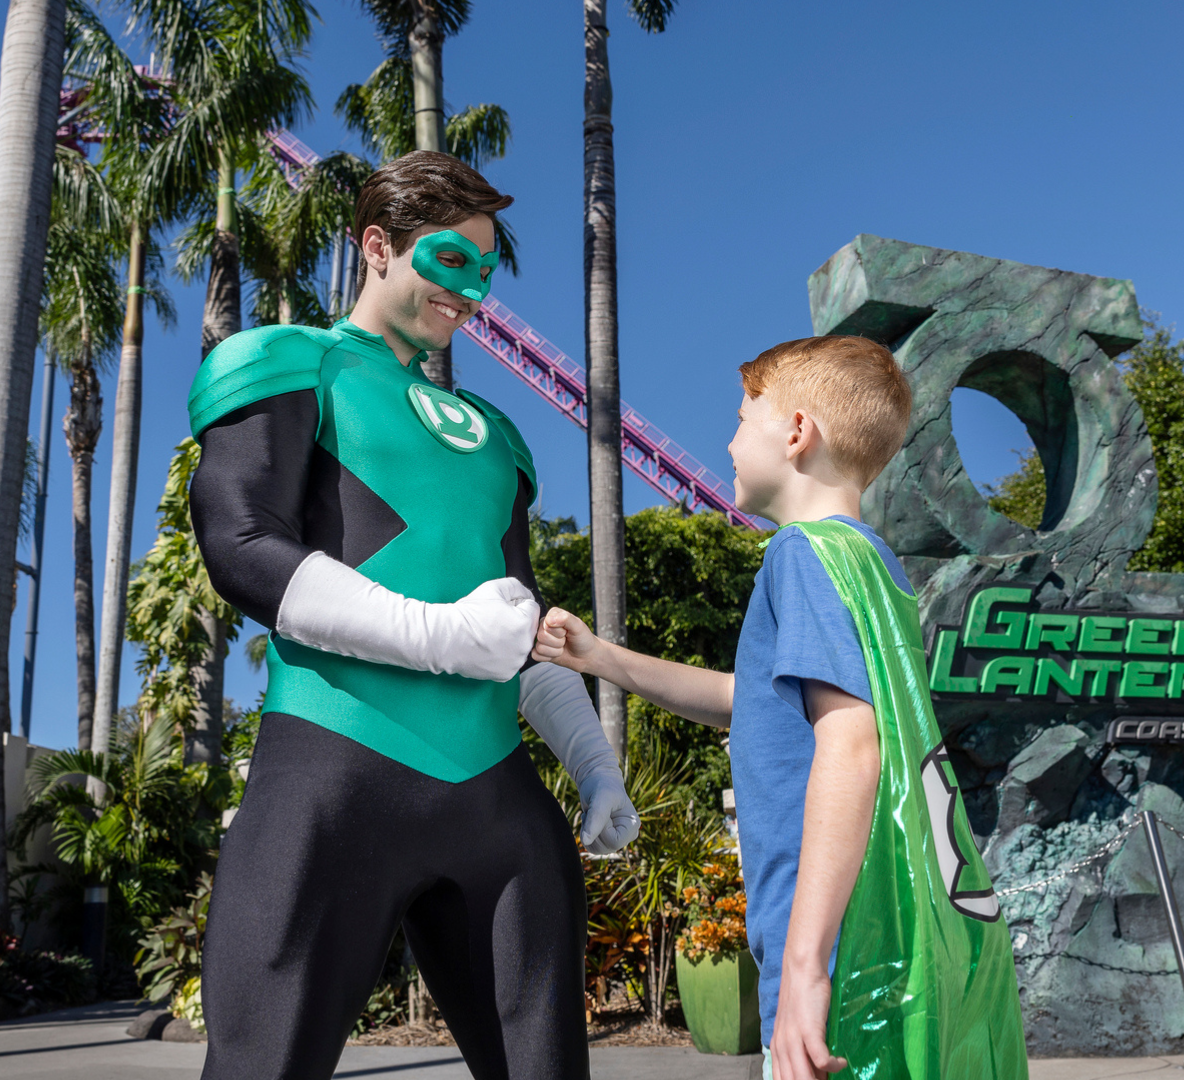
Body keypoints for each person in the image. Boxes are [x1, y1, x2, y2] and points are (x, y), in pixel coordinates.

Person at [185, 151, 639, 1080]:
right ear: (377, 247)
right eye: (447, 260)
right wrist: (438, 637)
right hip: (332, 780)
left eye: (482, 269)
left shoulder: (495, 439)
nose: (469, 289)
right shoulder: (285, 363)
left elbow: (516, 628)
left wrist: (592, 764)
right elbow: (240, 541)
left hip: (498, 805)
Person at [532, 336, 1027, 1080]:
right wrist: (602, 659)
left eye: (741, 418)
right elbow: (756, 702)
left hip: (846, 955)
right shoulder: (871, 566)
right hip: (909, 944)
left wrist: (805, 967)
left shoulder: (800, 554)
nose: (727, 440)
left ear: (796, 432)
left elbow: (850, 745)